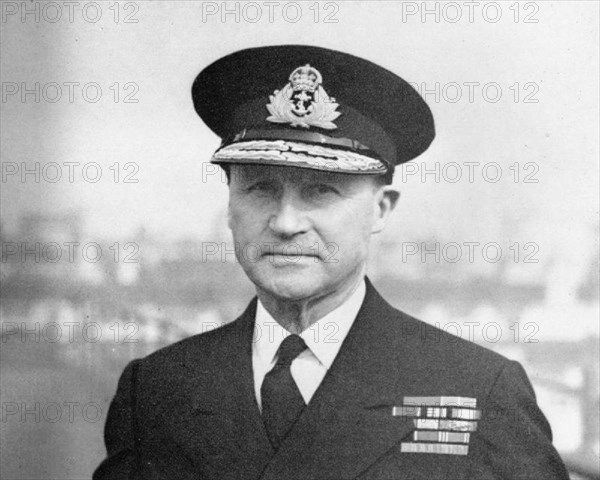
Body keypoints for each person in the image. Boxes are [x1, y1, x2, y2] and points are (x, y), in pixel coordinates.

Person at [94, 45, 569, 480]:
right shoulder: (157, 390)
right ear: (230, 204)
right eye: (259, 188)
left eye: (321, 191)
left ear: (381, 210)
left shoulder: (477, 391)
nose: (285, 223)